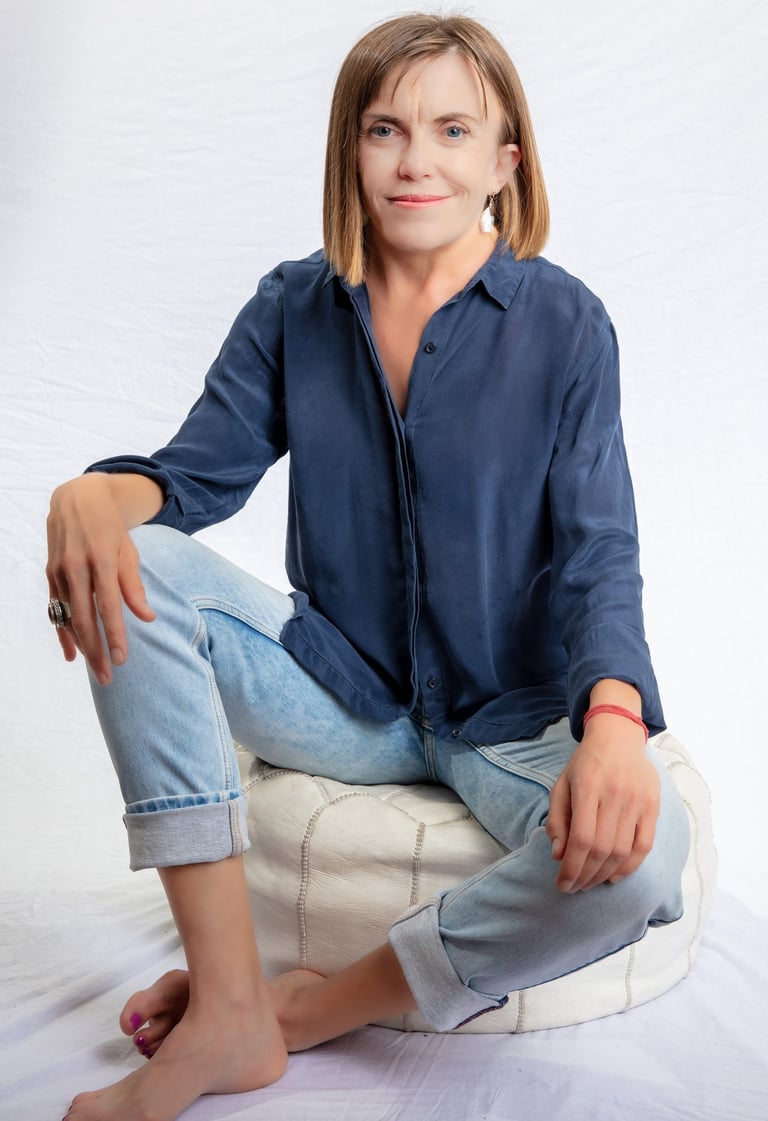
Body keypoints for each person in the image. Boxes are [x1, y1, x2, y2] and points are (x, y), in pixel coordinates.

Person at [46, 13, 690, 1121]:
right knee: (133, 561)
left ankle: (297, 1010)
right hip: (344, 695)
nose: (415, 159)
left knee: (646, 857)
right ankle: (228, 999)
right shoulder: (294, 305)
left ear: (505, 162)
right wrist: (101, 493)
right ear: (351, 147)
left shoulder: (567, 326)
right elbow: (196, 476)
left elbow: (600, 550)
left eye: (452, 129)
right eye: (385, 128)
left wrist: (616, 722)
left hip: (512, 716)